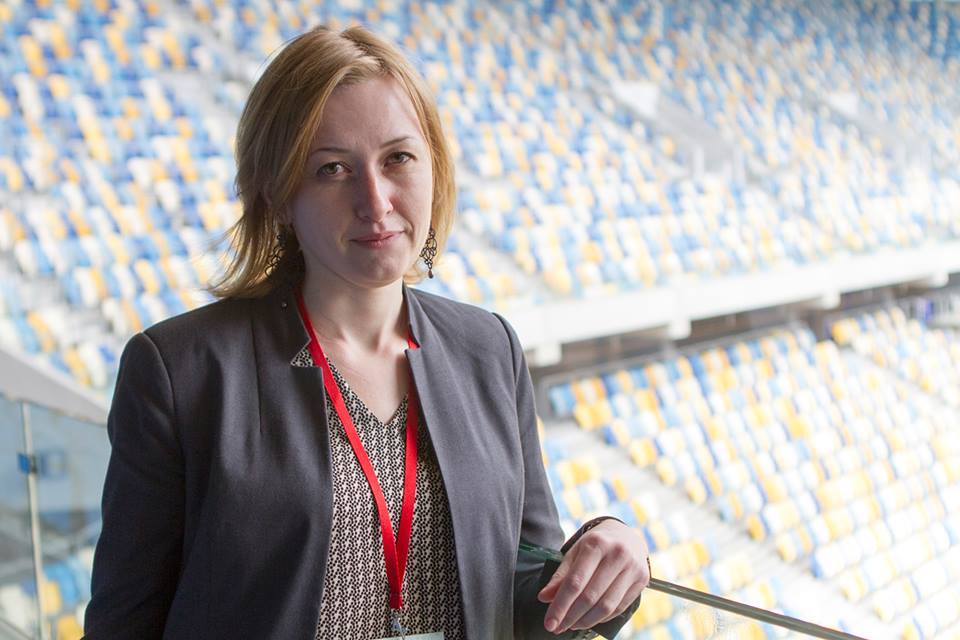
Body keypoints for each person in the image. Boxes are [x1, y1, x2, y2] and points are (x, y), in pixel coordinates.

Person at [84, 24, 650, 639]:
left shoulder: (489, 349)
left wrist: (612, 550)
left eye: (398, 159)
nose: (375, 202)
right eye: (331, 169)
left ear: (434, 167)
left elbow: (528, 593)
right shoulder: (179, 371)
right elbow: (124, 624)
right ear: (278, 195)